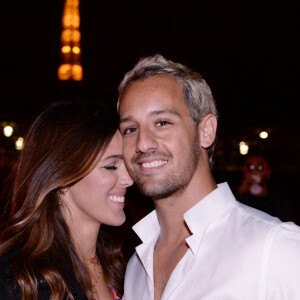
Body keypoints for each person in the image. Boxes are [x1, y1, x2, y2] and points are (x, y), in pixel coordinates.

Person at [117, 54, 300, 300]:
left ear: (206, 131)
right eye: (130, 129)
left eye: (162, 122)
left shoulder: (277, 249)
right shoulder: (136, 268)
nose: (143, 143)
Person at [0, 100, 133, 300]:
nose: (129, 180)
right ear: (63, 177)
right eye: (111, 166)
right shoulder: (23, 280)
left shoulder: (118, 263)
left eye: (127, 165)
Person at [235, 150, 291, 222]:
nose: (254, 171)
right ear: (244, 171)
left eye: (260, 167)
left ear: (268, 172)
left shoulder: (278, 203)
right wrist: (239, 192)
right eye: (250, 167)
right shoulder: (237, 199)